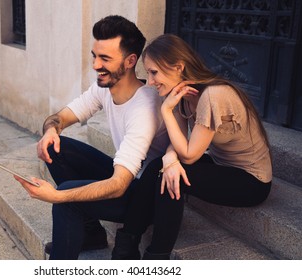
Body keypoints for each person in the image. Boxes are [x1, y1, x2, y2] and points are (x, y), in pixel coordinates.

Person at [14, 15, 169, 260]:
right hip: (126, 175)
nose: (96, 65)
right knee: (57, 147)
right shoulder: (104, 86)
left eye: (105, 58)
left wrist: (57, 196)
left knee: (68, 199)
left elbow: (118, 186)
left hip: (144, 197)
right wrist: (51, 130)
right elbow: (60, 117)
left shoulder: (144, 108)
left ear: (130, 61)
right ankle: (91, 233)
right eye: (94, 56)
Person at [112, 34, 273, 260]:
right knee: (160, 166)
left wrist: (166, 111)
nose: (149, 81)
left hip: (251, 180)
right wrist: (169, 158)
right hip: (221, 165)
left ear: (178, 67)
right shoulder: (184, 95)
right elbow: (178, 144)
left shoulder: (214, 95)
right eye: (148, 73)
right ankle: (126, 245)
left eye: (153, 72)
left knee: (172, 177)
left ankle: (156, 259)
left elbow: (188, 155)